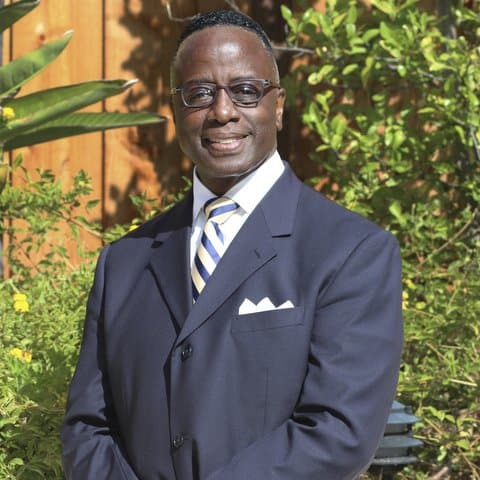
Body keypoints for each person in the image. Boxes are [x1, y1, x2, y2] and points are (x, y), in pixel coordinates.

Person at [61, 9, 403, 480]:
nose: (222, 111)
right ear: (177, 108)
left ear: (277, 106)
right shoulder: (123, 262)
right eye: (200, 93)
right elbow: (87, 428)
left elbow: (337, 430)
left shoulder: (351, 252)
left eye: (245, 91)